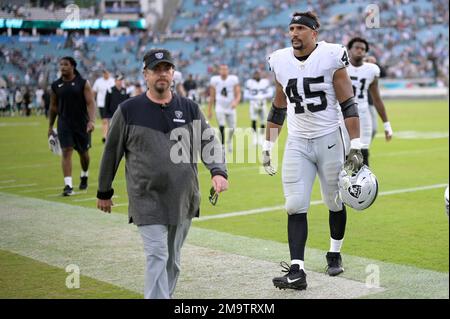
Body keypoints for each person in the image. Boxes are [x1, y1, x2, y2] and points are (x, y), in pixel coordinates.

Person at [96, 49, 228, 299]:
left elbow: (209, 142)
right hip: (147, 199)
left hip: (183, 198)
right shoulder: (128, 110)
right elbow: (111, 152)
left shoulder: (189, 108)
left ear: (173, 74)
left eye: (166, 69)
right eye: (156, 69)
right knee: (157, 255)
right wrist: (104, 190)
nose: (162, 74)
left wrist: (218, 171)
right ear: (145, 74)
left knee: (172, 261)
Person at [262, 11, 364, 290]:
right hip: (297, 141)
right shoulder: (279, 60)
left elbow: (348, 104)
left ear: (314, 33)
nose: (294, 33)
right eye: (291, 28)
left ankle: (334, 252)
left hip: (329, 139)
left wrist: (355, 145)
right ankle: (297, 270)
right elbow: (278, 106)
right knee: (294, 204)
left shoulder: (331, 56)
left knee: (333, 201)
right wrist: (268, 144)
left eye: (300, 29)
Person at [48, 56, 96, 196]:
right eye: (61, 64)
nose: (62, 67)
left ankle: (84, 174)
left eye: (66, 64)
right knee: (66, 151)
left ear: (73, 66)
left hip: (82, 124)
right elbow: (53, 107)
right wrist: (50, 126)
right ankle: (68, 186)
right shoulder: (56, 85)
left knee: (84, 154)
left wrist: (91, 121)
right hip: (64, 124)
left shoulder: (82, 83)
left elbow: (90, 103)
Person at [347, 37, 393, 166]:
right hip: (342, 114)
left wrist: (386, 124)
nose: (360, 50)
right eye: (357, 47)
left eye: (363, 49)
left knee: (363, 154)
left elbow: (377, 98)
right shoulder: (341, 66)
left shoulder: (371, 69)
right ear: (349, 50)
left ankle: (363, 185)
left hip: (363, 113)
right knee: (344, 153)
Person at [207, 64, 241, 153]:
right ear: (219, 71)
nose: (224, 71)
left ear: (228, 70)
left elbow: (238, 94)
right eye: (222, 69)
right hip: (220, 106)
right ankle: (222, 146)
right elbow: (212, 96)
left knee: (232, 128)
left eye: (225, 69)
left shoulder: (233, 79)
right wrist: (210, 110)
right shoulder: (214, 80)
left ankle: (229, 142)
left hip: (230, 106)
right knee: (221, 125)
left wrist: (235, 102)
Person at [244, 70, 273, 145]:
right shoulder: (249, 82)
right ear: (253, 75)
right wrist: (255, 97)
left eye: (258, 74)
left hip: (263, 103)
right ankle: (254, 137)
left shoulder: (265, 82)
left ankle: (261, 137)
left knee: (263, 121)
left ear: (260, 75)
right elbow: (245, 94)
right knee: (253, 120)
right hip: (253, 103)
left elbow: (270, 92)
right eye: (255, 74)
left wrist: (262, 96)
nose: (257, 75)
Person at [93, 69, 114, 143]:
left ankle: (110, 136)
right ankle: (105, 137)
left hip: (111, 104)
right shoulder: (98, 82)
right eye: (104, 73)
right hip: (101, 104)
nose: (106, 74)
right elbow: (94, 92)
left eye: (107, 73)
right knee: (105, 120)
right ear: (103, 74)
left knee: (111, 121)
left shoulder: (112, 81)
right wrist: (93, 101)